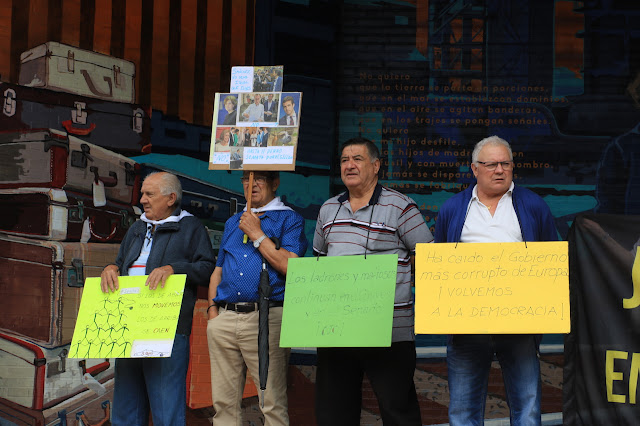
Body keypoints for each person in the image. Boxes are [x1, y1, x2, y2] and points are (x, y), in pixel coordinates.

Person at [434, 135, 558, 426]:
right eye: (491, 164)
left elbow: (551, 263)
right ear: (475, 169)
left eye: (506, 164)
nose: (500, 170)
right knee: (463, 412)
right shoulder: (452, 209)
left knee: (527, 409)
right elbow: (438, 266)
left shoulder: (534, 206)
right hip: (466, 327)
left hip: (519, 326)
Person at [313, 137, 432, 426]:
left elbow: (428, 259)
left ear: (376, 166)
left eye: (357, 159)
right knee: (334, 414)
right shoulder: (329, 209)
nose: (349, 165)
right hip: (337, 330)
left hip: (389, 331)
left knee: (397, 411)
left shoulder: (401, 207)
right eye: (344, 160)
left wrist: (391, 285)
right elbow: (319, 263)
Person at [100, 172, 215, 426]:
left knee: (166, 408)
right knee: (126, 406)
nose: (142, 200)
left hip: (168, 328)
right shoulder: (138, 227)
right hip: (129, 325)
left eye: (149, 194)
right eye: (143, 194)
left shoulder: (191, 226)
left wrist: (175, 268)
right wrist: (110, 267)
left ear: (171, 198)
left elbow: (207, 267)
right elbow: (120, 263)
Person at [207, 170, 308, 425]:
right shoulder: (233, 221)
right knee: (223, 405)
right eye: (245, 178)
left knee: (271, 403)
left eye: (259, 178)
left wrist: (256, 233)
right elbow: (218, 269)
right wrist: (212, 313)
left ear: (275, 183)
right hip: (225, 318)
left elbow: (291, 267)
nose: (251, 184)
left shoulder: (290, 219)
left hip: (266, 317)